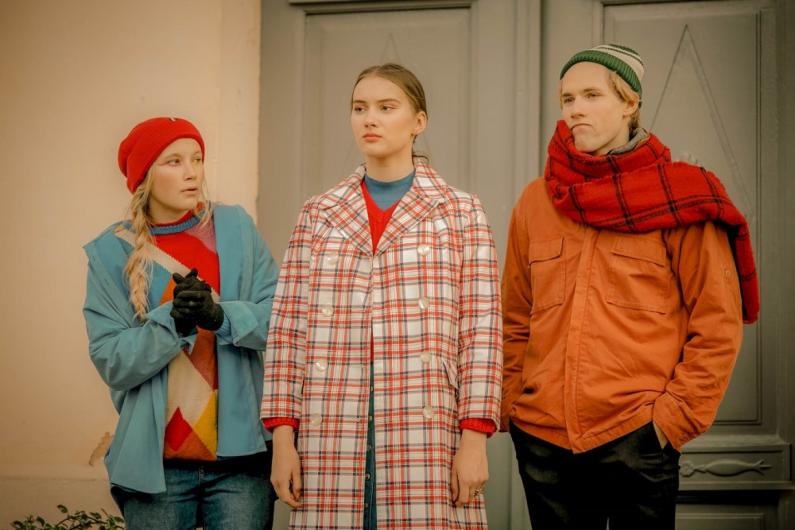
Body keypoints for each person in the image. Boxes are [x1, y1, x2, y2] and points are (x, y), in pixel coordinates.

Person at [501, 44, 759, 530]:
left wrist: (669, 422)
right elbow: (514, 315)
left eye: (591, 95)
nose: (575, 109)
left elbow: (718, 323)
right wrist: (514, 403)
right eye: (568, 98)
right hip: (543, 440)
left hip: (637, 438)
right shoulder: (537, 201)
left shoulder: (681, 197)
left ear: (630, 103)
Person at [261, 63, 503, 529]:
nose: (369, 119)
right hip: (330, 430)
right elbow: (288, 332)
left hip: (426, 429)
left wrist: (475, 438)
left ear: (418, 122)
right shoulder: (319, 213)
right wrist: (283, 441)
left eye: (386, 107)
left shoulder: (460, 211)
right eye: (359, 108)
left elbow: (482, 332)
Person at [82, 116, 280, 529]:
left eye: (197, 158)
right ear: (144, 176)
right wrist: (171, 323)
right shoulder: (112, 251)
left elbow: (282, 321)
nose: (192, 172)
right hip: (158, 466)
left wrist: (220, 317)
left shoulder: (236, 228)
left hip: (240, 462)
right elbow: (111, 360)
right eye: (173, 161)